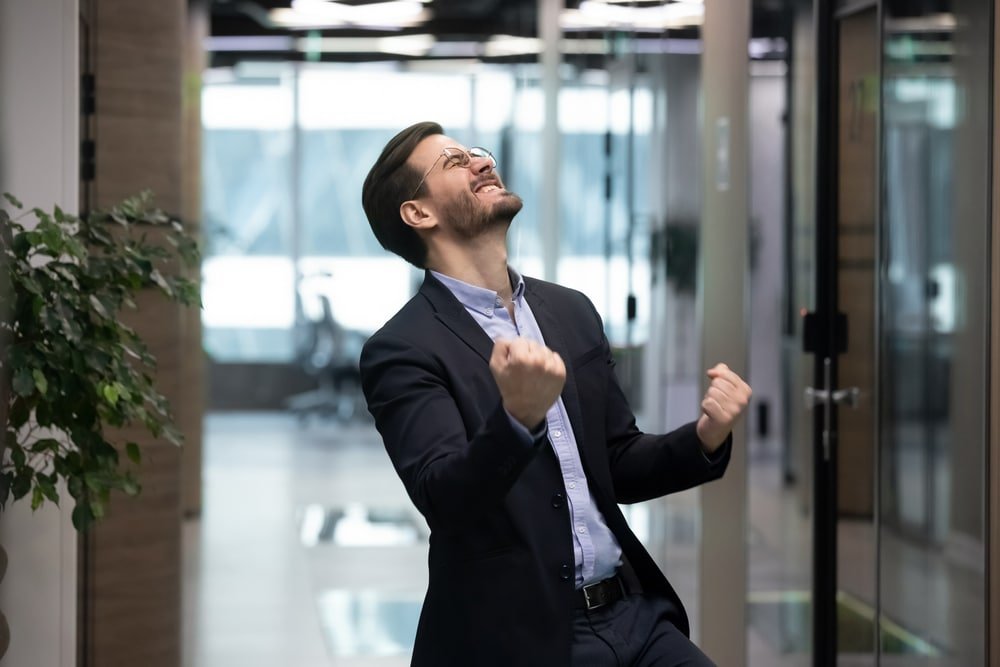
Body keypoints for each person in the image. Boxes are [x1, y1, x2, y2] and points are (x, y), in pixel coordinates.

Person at [359, 121, 751, 667]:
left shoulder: (570, 311)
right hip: (522, 637)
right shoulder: (402, 349)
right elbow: (445, 499)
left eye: (476, 153)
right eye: (453, 162)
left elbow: (618, 461)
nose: (480, 162)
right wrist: (517, 420)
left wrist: (705, 438)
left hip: (633, 614)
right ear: (419, 213)